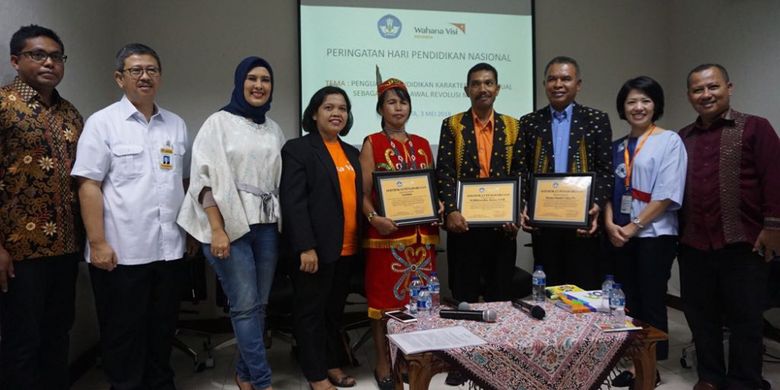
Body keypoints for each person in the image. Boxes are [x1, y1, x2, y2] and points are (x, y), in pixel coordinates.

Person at [72, 43, 191, 390]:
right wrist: (97, 243)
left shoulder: (176, 125)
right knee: (123, 335)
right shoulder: (103, 123)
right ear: (119, 78)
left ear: (160, 76)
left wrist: (188, 236)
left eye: (151, 70)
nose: (145, 76)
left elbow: (180, 184)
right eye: (136, 70)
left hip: (169, 251)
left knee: (162, 330)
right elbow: (88, 185)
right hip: (121, 253)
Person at [177, 56, 283, 390]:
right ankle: (263, 381)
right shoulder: (217, 123)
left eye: (265, 80)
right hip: (229, 224)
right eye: (252, 78)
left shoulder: (273, 128)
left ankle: (244, 373)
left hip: (266, 226)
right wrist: (217, 229)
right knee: (244, 306)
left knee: (259, 305)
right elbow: (203, 181)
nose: (259, 85)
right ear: (240, 83)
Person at [678, 64, 780, 390]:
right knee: (700, 317)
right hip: (694, 245)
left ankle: (744, 381)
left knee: (746, 319)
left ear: (729, 88)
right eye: (698, 90)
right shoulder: (683, 137)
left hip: (745, 243)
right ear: (690, 95)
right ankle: (710, 377)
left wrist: (773, 228)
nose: (706, 95)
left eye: (713, 87)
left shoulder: (755, 128)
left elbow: (775, 179)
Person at [0, 24, 83, 390]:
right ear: (16, 61)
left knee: (58, 334)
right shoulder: (3, 106)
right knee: (21, 340)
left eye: (56, 57)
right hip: (19, 251)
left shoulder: (70, 115)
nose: (49, 62)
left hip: (66, 247)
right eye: (39, 55)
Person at [603, 76, 687, 388]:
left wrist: (633, 226)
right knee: (629, 301)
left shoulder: (669, 141)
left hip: (654, 234)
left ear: (656, 106)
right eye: (631, 102)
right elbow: (607, 191)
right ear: (622, 109)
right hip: (620, 233)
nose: (638, 107)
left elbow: (667, 193)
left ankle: (652, 368)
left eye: (645, 101)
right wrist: (612, 224)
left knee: (652, 300)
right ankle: (636, 361)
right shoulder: (617, 147)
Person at [359, 78, 439, 390]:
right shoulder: (372, 142)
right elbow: (363, 194)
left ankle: (411, 359)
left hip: (421, 237)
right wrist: (373, 217)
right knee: (383, 305)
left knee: (417, 305)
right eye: (391, 102)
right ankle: (383, 361)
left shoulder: (421, 143)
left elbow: (429, 188)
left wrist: (439, 204)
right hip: (386, 238)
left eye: (403, 102)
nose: (398, 107)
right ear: (380, 108)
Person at [280, 86, 362, 390]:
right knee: (310, 313)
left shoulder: (352, 152)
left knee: (333, 313)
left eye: (342, 108)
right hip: (315, 251)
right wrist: (306, 246)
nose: (336, 113)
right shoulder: (298, 149)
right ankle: (315, 374)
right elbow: (294, 203)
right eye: (329, 107)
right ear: (314, 113)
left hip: (347, 249)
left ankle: (332, 364)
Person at [519, 56, 613, 290]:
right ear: (544, 85)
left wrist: (597, 206)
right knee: (549, 288)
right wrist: (523, 204)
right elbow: (522, 170)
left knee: (584, 289)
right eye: (552, 79)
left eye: (565, 78)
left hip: (582, 223)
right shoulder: (530, 122)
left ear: (578, 84)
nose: (558, 84)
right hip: (544, 224)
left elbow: (605, 171)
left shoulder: (596, 120)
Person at [436, 62, 522, 303]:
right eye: (476, 84)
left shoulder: (514, 126)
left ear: (497, 89)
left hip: (502, 228)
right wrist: (451, 210)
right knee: (464, 295)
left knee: (501, 296)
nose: (482, 88)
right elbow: (444, 171)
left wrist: (516, 214)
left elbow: (520, 172)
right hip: (464, 227)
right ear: (467, 90)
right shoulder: (452, 125)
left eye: (488, 83)